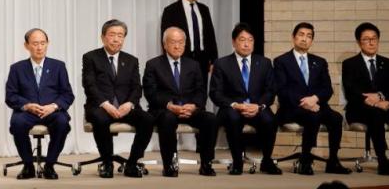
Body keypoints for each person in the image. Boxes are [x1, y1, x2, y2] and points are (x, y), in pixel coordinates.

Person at [274, 22, 351, 175]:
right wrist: (305, 103)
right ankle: (305, 160)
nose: (305, 39)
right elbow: (282, 90)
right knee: (313, 116)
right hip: (292, 108)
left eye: (309, 36)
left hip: (317, 105)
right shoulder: (281, 61)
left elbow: (327, 89)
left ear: (312, 41)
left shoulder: (320, 62)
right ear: (293, 37)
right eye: (301, 35)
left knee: (336, 118)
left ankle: (333, 161)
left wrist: (314, 99)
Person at [82, 20, 154, 178]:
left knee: (147, 119)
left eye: (120, 36)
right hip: (101, 106)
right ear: (103, 37)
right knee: (100, 120)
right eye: (112, 35)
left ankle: (132, 163)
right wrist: (106, 105)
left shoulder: (131, 60)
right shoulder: (90, 57)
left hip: (125, 107)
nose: (116, 39)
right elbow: (90, 85)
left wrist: (129, 104)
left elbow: (137, 87)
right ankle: (107, 163)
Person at [143, 27, 218, 177]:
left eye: (181, 42)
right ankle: (169, 164)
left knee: (210, 119)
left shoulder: (193, 65)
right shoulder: (153, 64)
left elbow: (201, 90)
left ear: (185, 44)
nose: (177, 46)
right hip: (165, 110)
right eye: (173, 42)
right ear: (165, 44)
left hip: (189, 109)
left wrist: (194, 105)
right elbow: (151, 92)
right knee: (167, 118)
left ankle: (206, 163)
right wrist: (170, 105)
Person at [209, 22, 281, 175]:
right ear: (234, 42)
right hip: (232, 108)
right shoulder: (221, 63)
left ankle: (267, 161)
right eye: (242, 40)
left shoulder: (264, 63)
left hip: (257, 107)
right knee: (233, 119)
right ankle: (237, 162)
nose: (247, 44)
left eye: (250, 40)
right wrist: (235, 104)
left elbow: (271, 90)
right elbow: (215, 93)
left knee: (270, 120)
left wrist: (259, 106)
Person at [5, 28, 74, 180]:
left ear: (47, 44)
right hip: (27, 112)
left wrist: (54, 106)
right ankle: (28, 165)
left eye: (43, 43)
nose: (39, 47)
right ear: (26, 45)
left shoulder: (58, 66)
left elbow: (68, 95)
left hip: (52, 111)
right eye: (35, 43)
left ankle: (50, 165)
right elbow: (10, 96)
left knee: (62, 122)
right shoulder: (17, 68)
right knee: (17, 123)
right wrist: (27, 105)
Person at [342, 22, 389, 175]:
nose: (371, 42)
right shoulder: (349, 64)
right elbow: (350, 92)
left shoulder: (387, 63)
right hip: (358, 107)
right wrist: (374, 103)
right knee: (377, 114)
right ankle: (382, 161)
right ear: (358, 42)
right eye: (366, 39)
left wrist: (380, 97)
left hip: (383, 104)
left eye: (374, 38)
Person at [160, 0, 218, 88]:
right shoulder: (171, 10)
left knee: (201, 93)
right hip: (182, 57)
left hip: (202, 59)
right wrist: (168, 59)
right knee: (182, 91)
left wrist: (214, 59)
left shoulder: (204, 9)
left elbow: (210, 36)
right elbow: (165, 38)